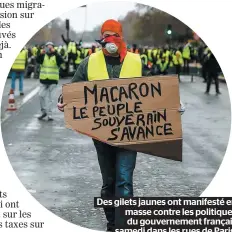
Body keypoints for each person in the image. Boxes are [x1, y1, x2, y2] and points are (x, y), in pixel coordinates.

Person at [57, 19, 185, 231]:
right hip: (101, 135)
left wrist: (174, 102)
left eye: (114, 34)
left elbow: (157, 88)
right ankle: (112, 223)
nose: (110, 39)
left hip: (130, 134)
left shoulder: (136, 61)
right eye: (106, 35)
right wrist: (64, 100)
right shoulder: (89, 63)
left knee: (124, 181)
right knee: (109, 183)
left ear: (121, 37)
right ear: (101, 38)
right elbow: (74, 90)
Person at [36, 42, 64, 121]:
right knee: (41, 95)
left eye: (50, 47)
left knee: (50, 99)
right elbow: (37, 60)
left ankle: (49, 115)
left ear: (53, 48)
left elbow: (61, 61)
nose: (49, 49)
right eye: (47, 47)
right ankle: (44, 112)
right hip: (43, 80)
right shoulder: (43, 56)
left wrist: (55, 52)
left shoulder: (56, 56)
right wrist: (41, 54)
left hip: (53, 80)